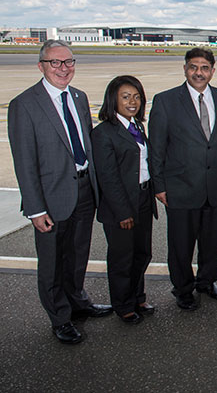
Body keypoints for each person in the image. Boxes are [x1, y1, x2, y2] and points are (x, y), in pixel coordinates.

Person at [8, 40, 112, 344]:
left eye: (69, 62)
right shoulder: (24, 104)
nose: (63, 68)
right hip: (51, 197)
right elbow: (24, 162)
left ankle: (78, 302)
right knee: (52, 261)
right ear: (41, 66)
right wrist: (35, 208)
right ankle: (60, 317)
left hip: (83, 189)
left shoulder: (79, 98)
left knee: (78, 254)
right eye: (56, 63)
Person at [149, 47, 217, 311]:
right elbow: (157, 147)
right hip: (180, 187)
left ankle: (207, 281)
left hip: (216, 186)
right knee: (181, 245)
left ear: (212, 71)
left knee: (213, 241)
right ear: (185, 69)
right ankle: (183, 288)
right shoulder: (166, 101)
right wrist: (159, 185)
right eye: (193, 67)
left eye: (204, 67)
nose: (199, 72)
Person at [91, 75, 158, 324]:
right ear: (113, 100)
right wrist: (122, 212)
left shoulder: (136, 127)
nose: (133, 101)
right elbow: (108, 178)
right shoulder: (104, 133)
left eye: (137, 96)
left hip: (142, 197)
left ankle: (137, 296)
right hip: (121, 205)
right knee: (122, 258)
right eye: (126, 96)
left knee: (142, 253)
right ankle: (123, 305)